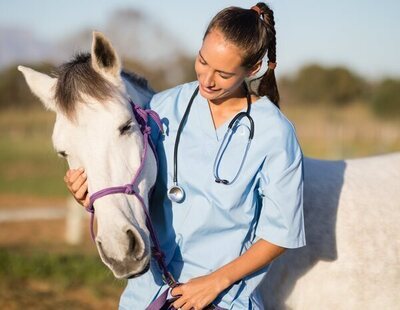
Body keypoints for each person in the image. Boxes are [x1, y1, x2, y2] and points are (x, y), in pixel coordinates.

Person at [65, 3, 306, 309]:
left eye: (223, 73)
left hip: (221, 298)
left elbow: (281, 234)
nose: (207, 79)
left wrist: (213, 283)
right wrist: (88, 193)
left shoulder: (275, 133)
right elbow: (129, 181)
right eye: (203, 61)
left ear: (253, 69)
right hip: (148, 294)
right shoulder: (161, 108)